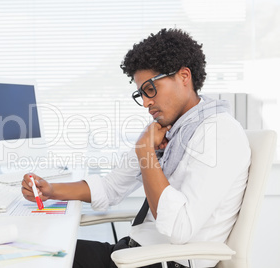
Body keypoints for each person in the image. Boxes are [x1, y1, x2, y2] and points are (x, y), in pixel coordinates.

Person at [21, 28, 251, 268]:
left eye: (151, 89)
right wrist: (49, 190)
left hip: (161, 262)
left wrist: (146, 153)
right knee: (37, 253)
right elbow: (111, 187)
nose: (145, 102)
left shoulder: (218, 133)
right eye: (141, 93)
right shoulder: (166, 131)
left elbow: (179, 228)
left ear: (184, 76)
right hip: (131, 253)